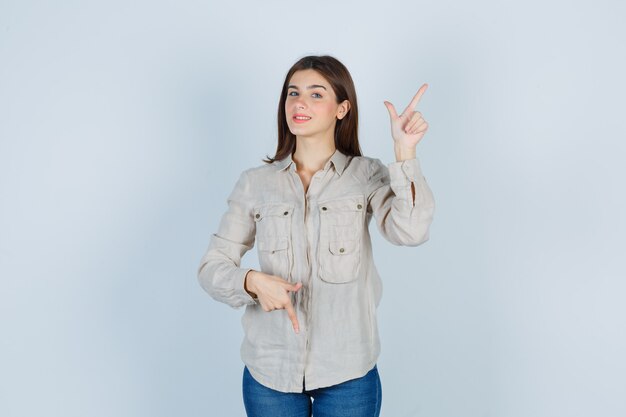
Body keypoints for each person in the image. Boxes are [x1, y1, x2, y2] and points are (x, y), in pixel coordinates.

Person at [197, 55, 435, 417]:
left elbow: (411, 230)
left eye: (316, 93)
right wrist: (251, 281)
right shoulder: (255, 183)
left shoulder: (366, 174)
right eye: (293, 93)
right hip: (270, 374)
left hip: (349, 372)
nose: (300, 102)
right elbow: (212, 267)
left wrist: (405, 151)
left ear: (342, 108)